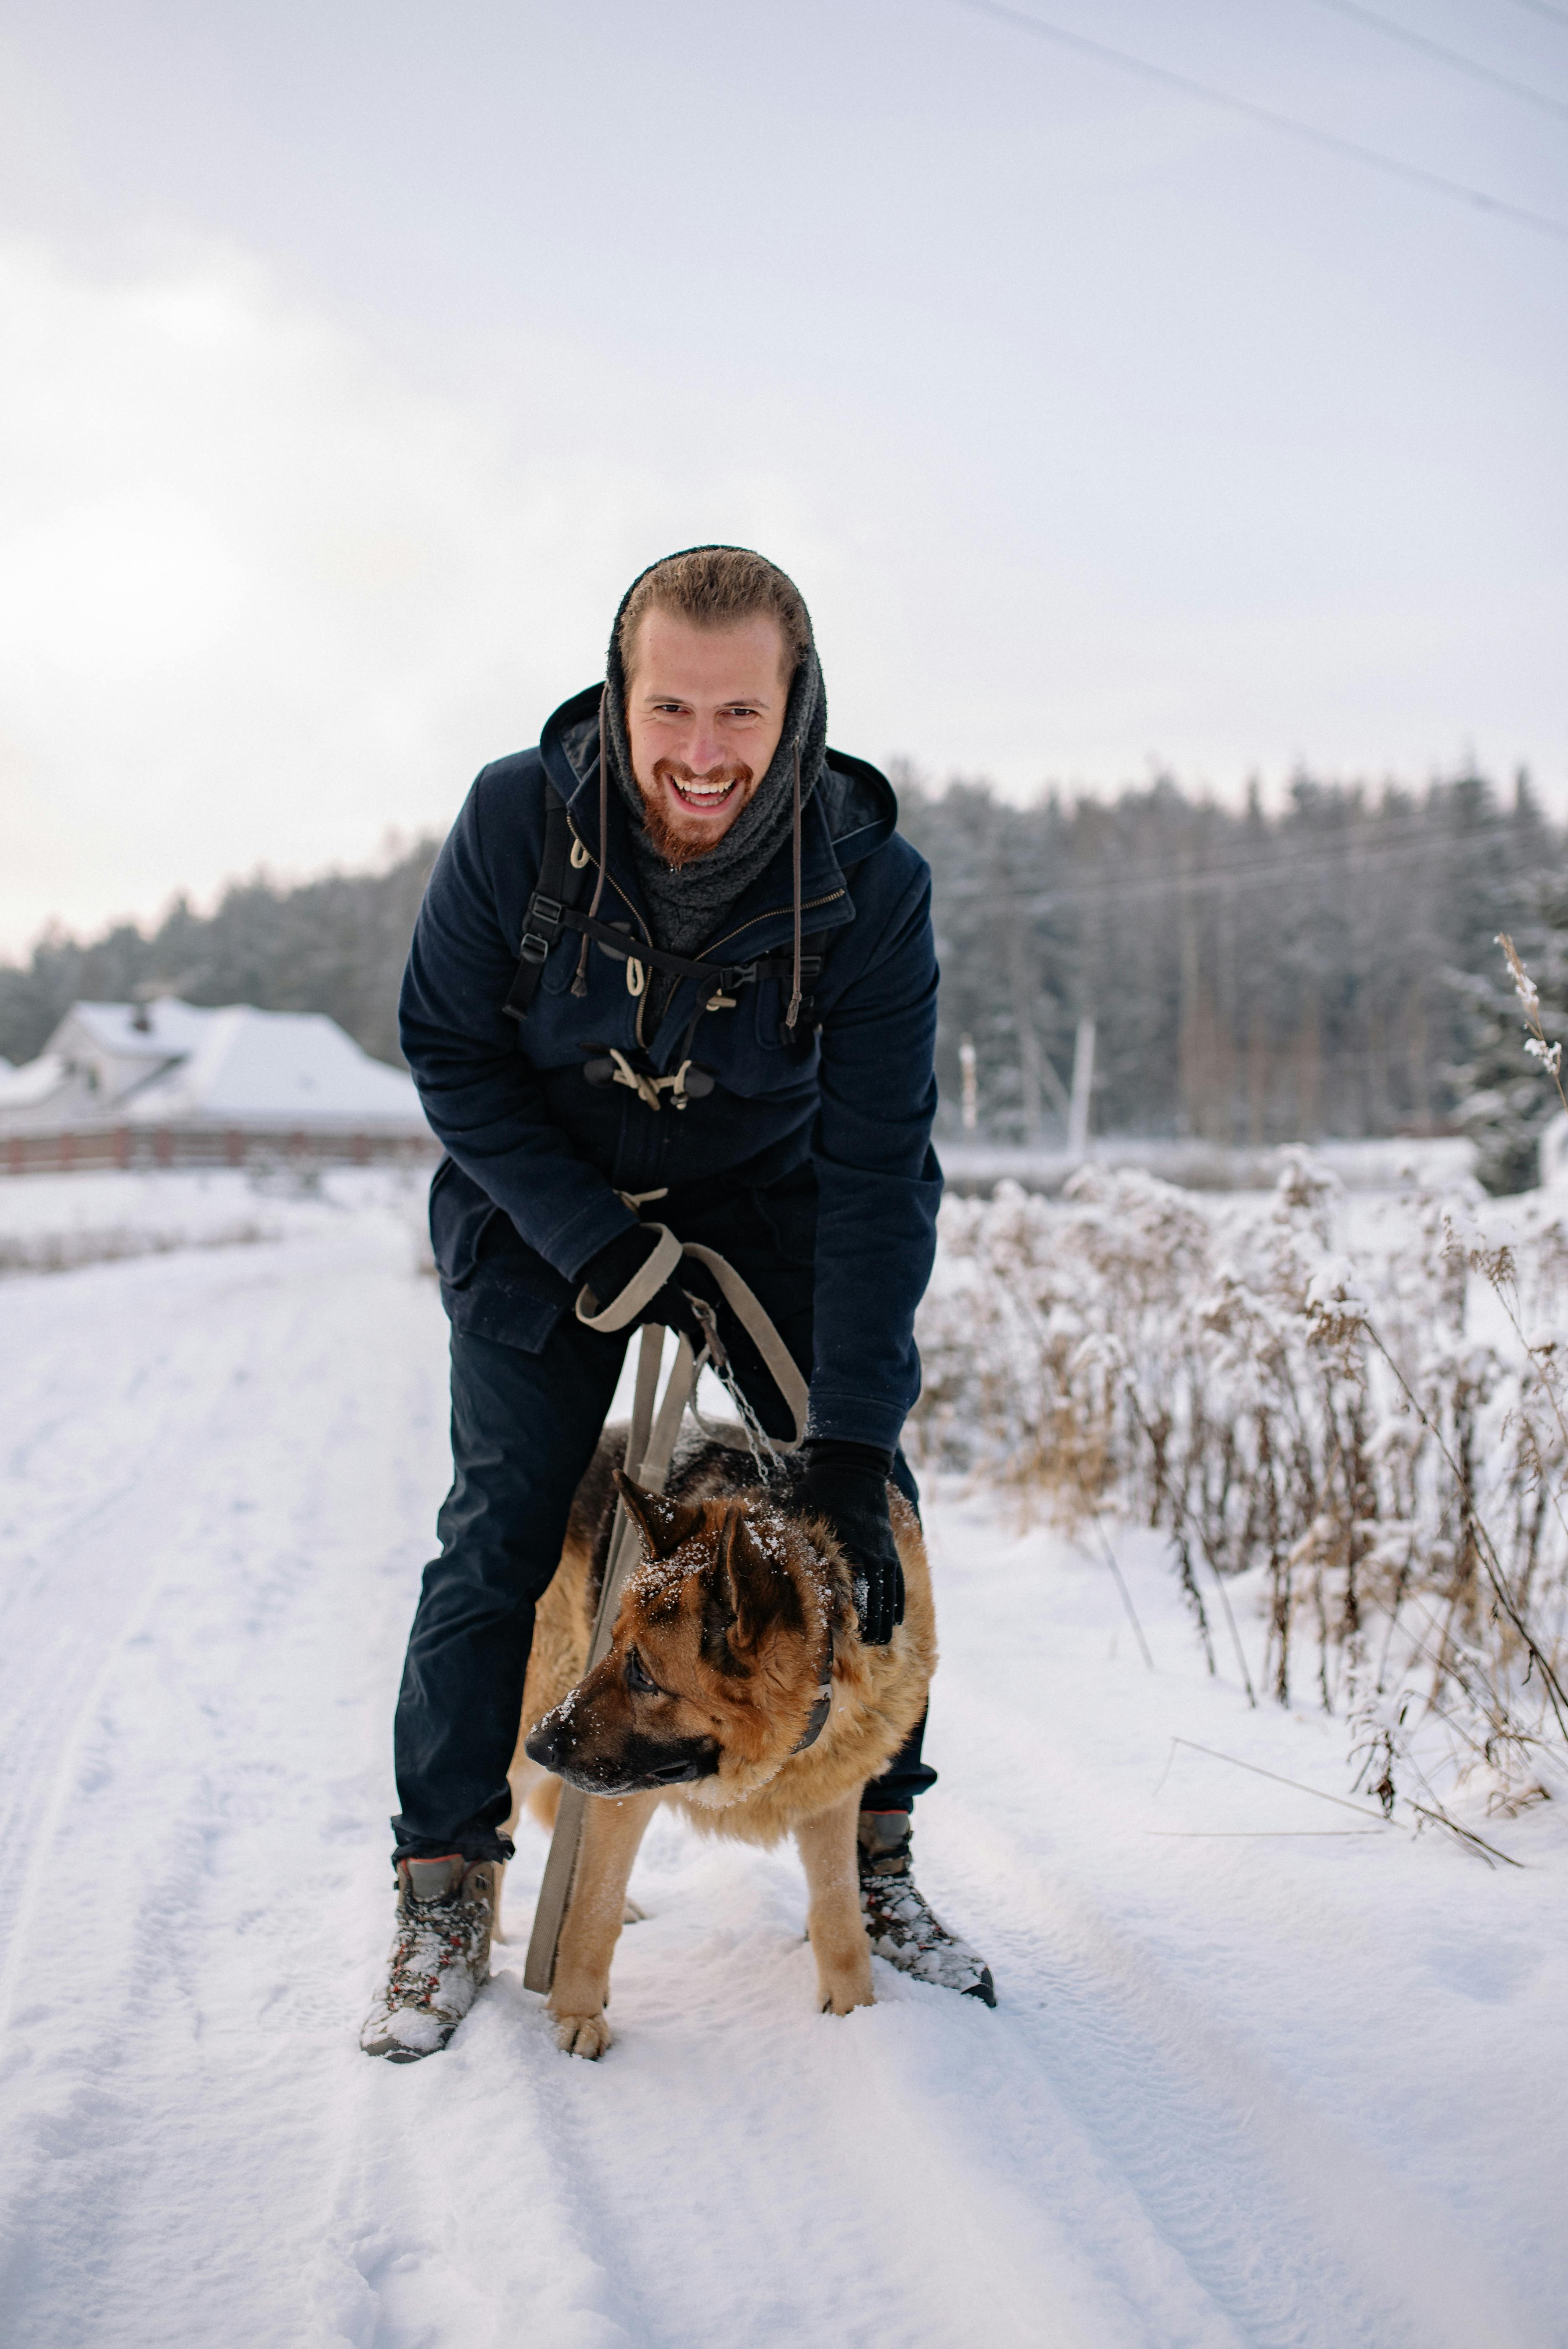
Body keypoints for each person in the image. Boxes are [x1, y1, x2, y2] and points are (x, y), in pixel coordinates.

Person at [361, 546, 993, 2062]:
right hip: (542, 1196)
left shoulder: (869, 884)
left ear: (797, 706)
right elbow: (447, 1049)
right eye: (670, 709)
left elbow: (879, 1167)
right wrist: (590, 1237)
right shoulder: (519, 819)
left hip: (763, 1197)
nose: (700, 753)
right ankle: (446, 1887)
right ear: (619, 690)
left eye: (738, 714)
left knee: (871, 1515)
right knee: (507, 1519)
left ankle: (881, 1855)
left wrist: (844, 1442)